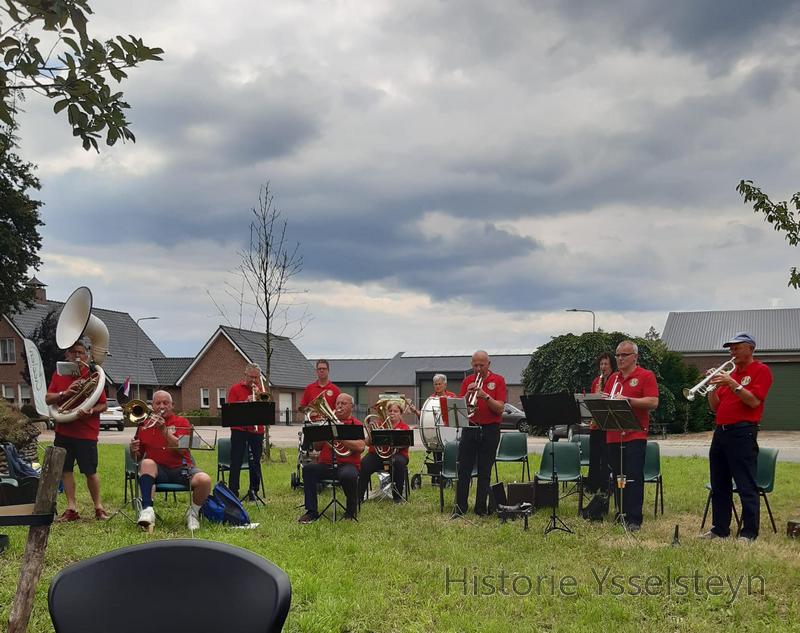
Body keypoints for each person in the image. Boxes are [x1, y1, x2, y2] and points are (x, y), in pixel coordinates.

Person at [702, 332, 773, 542]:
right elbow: (715, 407)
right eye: (730, 348)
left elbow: (753, 402)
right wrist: (711, 387)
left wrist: (732, 382)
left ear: (750, 348)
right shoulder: (729, 376)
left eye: (736, 347)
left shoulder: (760, 370)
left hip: (743, 432)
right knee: (719, 483)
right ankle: (720, 529)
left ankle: (749, 533)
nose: (731, 352)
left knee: (745, 484)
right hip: (721, 432)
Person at [45, 339, 109, 522]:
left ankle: (98, 507)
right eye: (73, 352)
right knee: (65, 470)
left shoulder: (93, 376)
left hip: (86, 432)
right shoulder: (58, 375)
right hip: (64, 430)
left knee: (90, 471)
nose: (77, 355)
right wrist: (66, 393)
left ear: (87, 355)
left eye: (81, 352)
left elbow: (103, 404)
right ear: (67, 355)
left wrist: (91, 410)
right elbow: (49, 398)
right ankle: (71, 508)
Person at [130, 391, 212, 532]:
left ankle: (193, 513)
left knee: (205, 480)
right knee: (146, 463)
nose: (162, 406)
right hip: (158, 470)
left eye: (165, 403)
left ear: (172, 405)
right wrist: (133, 450)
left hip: (182, 468)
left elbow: (183, 450)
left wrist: (164, 431)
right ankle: (147, 511)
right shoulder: (144, 425)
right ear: (152, 406)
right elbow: (137, 458)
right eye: (158, 403)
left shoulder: (182, 422)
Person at [603, 340, 659, 532]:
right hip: (613, 434)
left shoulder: (645, 376)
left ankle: (634, 517)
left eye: (624, 355)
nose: (619, 359)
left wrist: (629, 400)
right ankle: (621, 512)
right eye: (617, 355)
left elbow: (653, 402)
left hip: (635, 434)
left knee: (633, 477)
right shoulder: (613, 379)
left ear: (635, 356)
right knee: (618, 477)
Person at [454, 350, 506, 517]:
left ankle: (480, 508)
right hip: (470, 428)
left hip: (490, 429)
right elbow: (460, 408)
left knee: (485, 471)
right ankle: (460, 507)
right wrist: (468, 395)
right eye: (475, 365)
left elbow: (500, 408)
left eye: (481, 365)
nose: (477, 369)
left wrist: (484, 396)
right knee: (464, 470)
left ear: (488, 364)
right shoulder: (467, 381)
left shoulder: (498, 380)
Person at [298, 393, 365, 523]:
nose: (339, 406)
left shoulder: (355, 424)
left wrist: (340, 437)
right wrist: (323, 432)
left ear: (352, 406)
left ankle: (351, 512)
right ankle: (311, 511)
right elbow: (317, 447)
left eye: (343, 404)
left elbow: (361, 447)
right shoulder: (327, 423)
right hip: (326, 464)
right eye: (338, 403)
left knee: (349, 475)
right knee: (308, 470)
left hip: (347, 464)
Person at [226, 363, 266, 501]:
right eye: (251, 377)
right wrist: (245, 402)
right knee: (235, 461)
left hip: (257, 431)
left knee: (255, 461)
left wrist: (260, 398)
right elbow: (231, 410)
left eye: (256, 377)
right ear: (245, 374)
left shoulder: (261, 390)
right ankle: (233, 492)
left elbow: (267, 410)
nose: (254, 380)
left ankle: (254, 491)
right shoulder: (235, 389)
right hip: (239, 430)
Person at [358, 401, 411, 503]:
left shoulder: (404, 427)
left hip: (397, 455)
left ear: (400, 414)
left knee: (398, 463)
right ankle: (359, 497)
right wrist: (370, 432)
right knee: (364, 463)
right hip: (377, 455)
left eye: (395, 411)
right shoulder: (379, 424)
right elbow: (367, 443)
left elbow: (405, 444)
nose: (392, 413)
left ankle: (397, 497)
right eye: (390, 411)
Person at [586, 352, 616, 494]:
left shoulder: (615, 380)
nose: (603, 367)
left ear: (611, 366)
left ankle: (605, 485)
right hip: (595, 425)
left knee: (606, 458)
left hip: (608, 426)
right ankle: (592, 484)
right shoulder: (596, 381)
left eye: (606, 364)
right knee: (594, 456)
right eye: (601, 364)